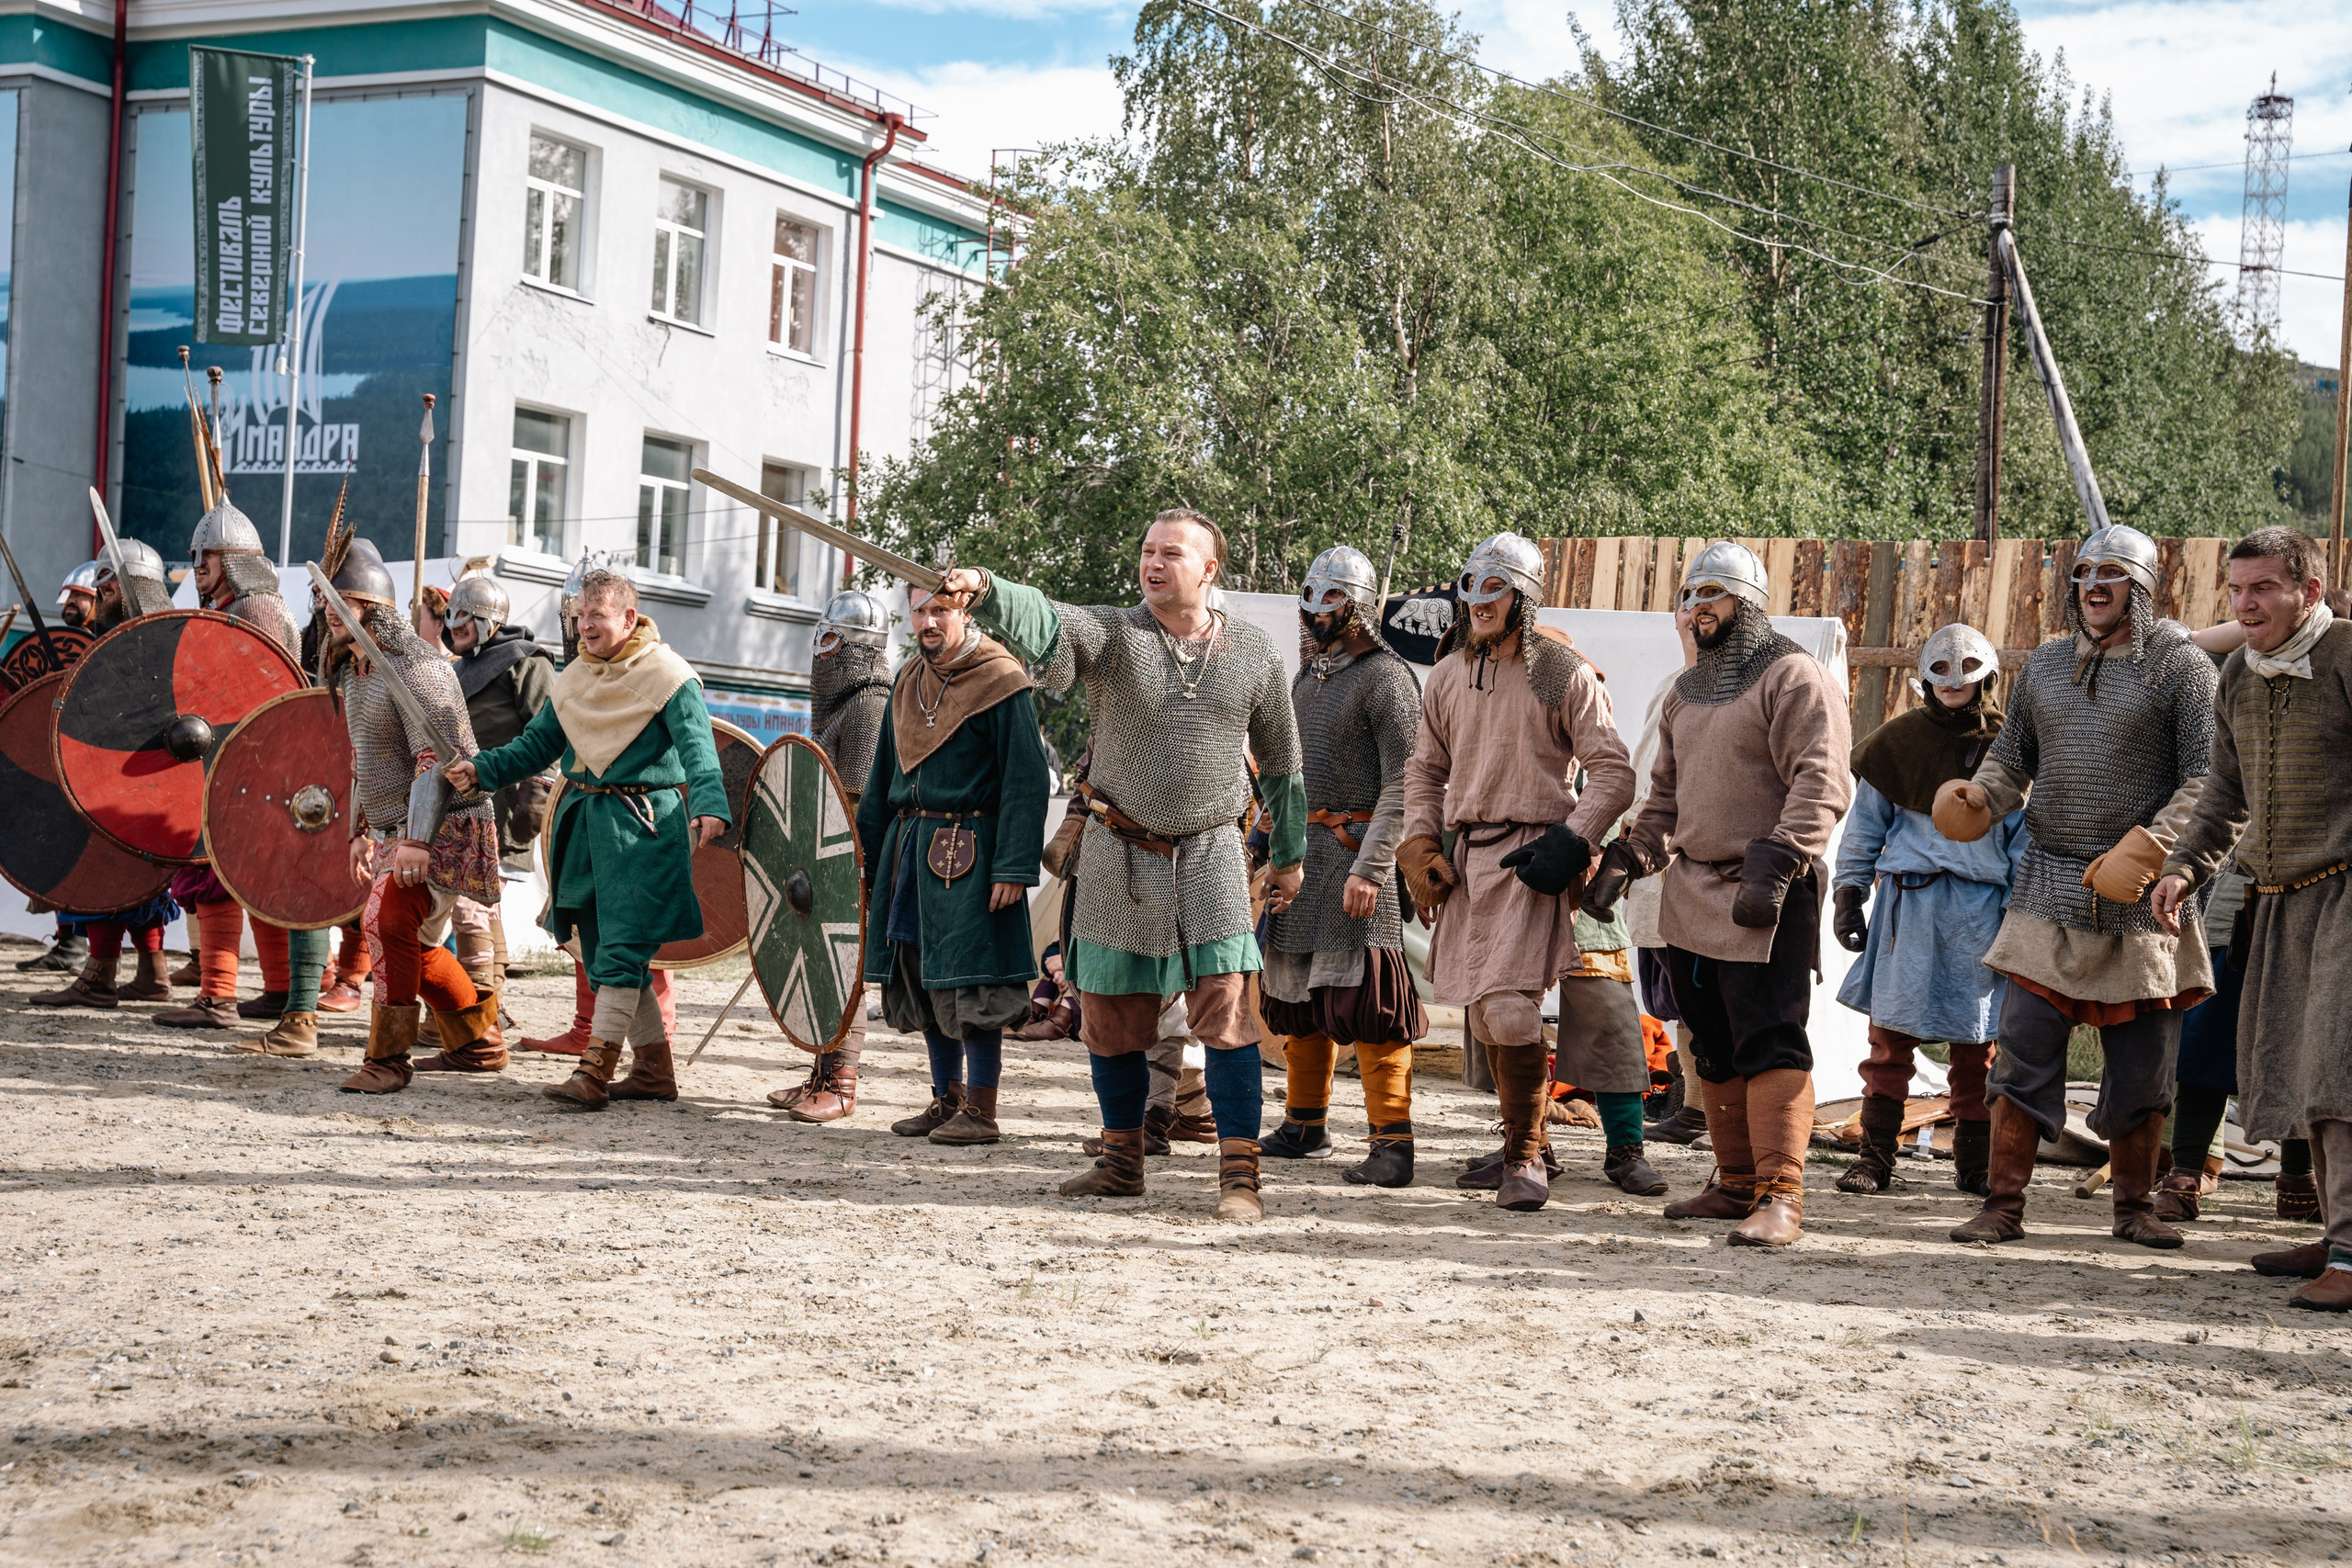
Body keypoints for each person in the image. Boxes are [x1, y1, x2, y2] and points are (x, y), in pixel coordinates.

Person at [942, 509, 1306, 1221]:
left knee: (1228, 1016)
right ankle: (1121, 1162)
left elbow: (1286, 767)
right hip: (1117, 852)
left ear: (1210, 569)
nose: (1155, 562)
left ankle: (1240, 1179)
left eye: (1173, 552)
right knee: (1109, 1017)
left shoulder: (1255, 652)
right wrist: (986, 586)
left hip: (1210, 856)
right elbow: (1048, 621)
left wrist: (1289, 856)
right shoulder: (1113, 635)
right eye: (1147, 551)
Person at [1938, 523, 2218, 1249]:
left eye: (2113, 574)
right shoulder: (2047, 664)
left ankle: (2133, 1207)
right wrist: (1982, 796)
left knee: (2142, 1066)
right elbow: (2011, 757)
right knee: (2023, 1046)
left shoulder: (2181, 669)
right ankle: (2003, 1204)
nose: (2095, 585)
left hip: (2143, 894)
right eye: (2086, 572)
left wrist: (2156, 846)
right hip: (2051, 882)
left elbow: (2211, 776)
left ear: (2144, 588)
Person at [1586, 540, 1853, 1247]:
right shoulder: (1686, 691)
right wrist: (1632, 853)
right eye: (1692, 595)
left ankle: (1782, 1195)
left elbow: (1822, 782)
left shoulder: (1795, 675)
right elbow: (1666, 797)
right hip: (1694, 891)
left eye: (1715, 594)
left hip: (1768, 892)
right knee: (1713, 1044)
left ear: (1748, 603)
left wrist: (1779, 862)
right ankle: (1735, 1182)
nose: (1699, 607)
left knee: (1770, 1042)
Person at [1396, 534, 1645, 1210]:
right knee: (1484, 1017)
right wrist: (1420, 840)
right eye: (1472, 585)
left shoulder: (1559, 670)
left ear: (1525, 597)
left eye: (1496, 588)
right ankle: (1527, 1140)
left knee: (1509, 1012)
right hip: (1471, 860)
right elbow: (1425, 770)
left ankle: (1526, 1157)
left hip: (1535, 857)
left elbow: (1614, 771)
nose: (1479, 601)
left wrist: (1572, 838)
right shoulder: (1447, 675)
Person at [2151, 526, 2352, 1308]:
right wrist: (2183, 867)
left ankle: (2351, 1252)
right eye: (2237, 591)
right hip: (2280, 898)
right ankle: (2336, 1233)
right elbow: (2223, 794)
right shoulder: (2237, 672)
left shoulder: (2345, 657)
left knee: (2338, 1071)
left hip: (2346, 895)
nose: (2245, 604)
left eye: (2262, 589)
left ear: (2308, 590)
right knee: (2303, 1071)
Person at [448, 570, 729, 1111]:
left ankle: (594, 1071)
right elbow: (536, 746)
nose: (584, 627)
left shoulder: (670, 676)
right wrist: (481, 770)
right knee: (606, 955)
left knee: (622, 950)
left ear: (629, 617)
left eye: (596, 617)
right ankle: (653, 1071)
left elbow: (699, 749)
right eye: (579, 617)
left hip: (643, 826)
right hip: (585, 828)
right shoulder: (575, 678)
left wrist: (712, 806)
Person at [1830, 624, 2025, 1196]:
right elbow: (1865, 827)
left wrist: (2016, 912)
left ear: (1987, 676)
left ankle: (1974, 1161)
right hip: (1907, 905)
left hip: (1978, 908)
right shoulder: (1897, 744)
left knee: (1976, 1044)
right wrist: (1849, 893)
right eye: (1940, 671)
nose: (1953, 682)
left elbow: (2021, 844)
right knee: (1890, 1039)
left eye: (1966, 671)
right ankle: (1875, 1157)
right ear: (1924, 679)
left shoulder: (2011, 751)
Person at [857, 583, 1050, 1145]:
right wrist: (867, 863)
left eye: (940, 609)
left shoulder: (1002, 680)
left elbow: (1026, 780)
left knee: (973, 980)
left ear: (966, 610)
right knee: (919, 973)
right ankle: (946, 1100)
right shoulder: (906, 679)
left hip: (971, 847)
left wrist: (1013, 867)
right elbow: (880, 781)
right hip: (909, 844)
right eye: (919, 610)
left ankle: (983, 1111)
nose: (928, 621)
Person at [1260, 547, 1429, 1188]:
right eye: (1312, 597)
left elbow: (1405, 784)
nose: (1317, 611)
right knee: (1298, 997)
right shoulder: (1308, 678)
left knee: (1372, 1005)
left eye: (1332, 599)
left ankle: (1393, 1143)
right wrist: (1265, 839)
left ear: (1359, 608)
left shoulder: (1386, 679)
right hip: (1305, 861)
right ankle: (1306, 1123)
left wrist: (1372, 865)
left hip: (1358, 861)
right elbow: (1288, 777)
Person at [320, 533, 507, 1093]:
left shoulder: (418, 668)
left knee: (386, 922)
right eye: (322, 599)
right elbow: (367, 763)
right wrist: (360, 829)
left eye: (342, 601)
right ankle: (478, 1042)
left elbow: (440, 763)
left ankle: (387, 1060)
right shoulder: (357, 672)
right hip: (395, 828)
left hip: (444, 822)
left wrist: (418, 840)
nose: (328, 611)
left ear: (372, 607)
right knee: (412, 945)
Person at [155, 498, 301, 1030]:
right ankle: (280, 991)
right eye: (195, 554)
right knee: (240, 874)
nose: (197, 565)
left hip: (248, 760)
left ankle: (217, 996)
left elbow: (254, 692)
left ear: (238, 559)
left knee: (221, 871)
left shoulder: (256, 609)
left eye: (209, 555)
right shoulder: (231, 609)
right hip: (233, 757)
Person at [770, 590, 893, 1121]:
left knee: (846, 973)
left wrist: (848, 866)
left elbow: (859, 799)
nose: (819, 652)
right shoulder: (844, 706)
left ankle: (841, 1084)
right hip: (829, 859)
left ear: (857, 648)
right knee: (822, 968)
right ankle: (818, 1077)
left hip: (854, 858)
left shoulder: (869, 706)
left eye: (830, 640)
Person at [445, 573, 556, 995]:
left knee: (471, 905)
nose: (455, 625)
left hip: (508, 804)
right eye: (451, 618)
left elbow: (548, 733)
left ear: (489, 620)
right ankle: (489, 1008)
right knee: (482, 908)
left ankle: (475, 1015)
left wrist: (537, 797)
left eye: (465, 618)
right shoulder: (460, 667)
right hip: (464, 804)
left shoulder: (526, 660)